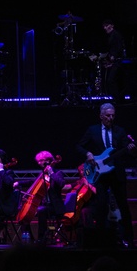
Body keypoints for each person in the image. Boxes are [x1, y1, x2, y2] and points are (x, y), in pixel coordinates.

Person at [76, 102, 136, 247]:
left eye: (113, 115)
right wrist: (88, 153)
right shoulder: (93, 130)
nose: (111, 118)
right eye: (108, 115)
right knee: (101, 206)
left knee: (123, 205)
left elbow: (126, 151)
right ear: (101, 116)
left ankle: (129, 239)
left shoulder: (120, 131)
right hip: (100, 174)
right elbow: (79, 146)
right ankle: (101, 240)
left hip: (117, 173)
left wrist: (131, 150)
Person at [17, 151, 66, 244]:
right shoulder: (43, 174)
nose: (39, 163)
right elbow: (32, 181)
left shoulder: (57, 173)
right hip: (44, 205)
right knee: (23, 211)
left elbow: (61, 184)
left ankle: (41, 238)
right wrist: (18, 183)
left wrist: (51, 173)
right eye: (38, 161)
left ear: (48, 161)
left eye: (41, 161)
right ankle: (30, 239)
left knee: (41, 210)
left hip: (55, 206)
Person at [99, 20, 126, 101]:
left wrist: (113, 56)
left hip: (118, 61)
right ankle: (117, 98)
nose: (105, 28)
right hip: (114, 60)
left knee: (111, 80)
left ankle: (117, 99)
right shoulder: (110, 35)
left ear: (112, 25)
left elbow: (119, 47)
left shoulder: (116, 35)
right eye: (104, 26)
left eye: (106, 25)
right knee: (113, 80)